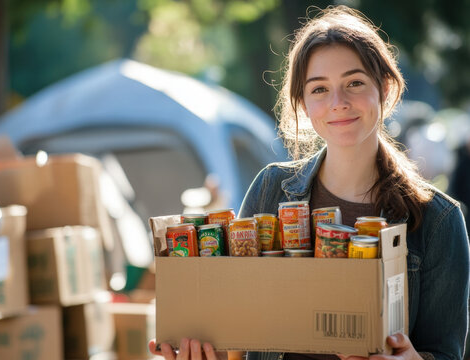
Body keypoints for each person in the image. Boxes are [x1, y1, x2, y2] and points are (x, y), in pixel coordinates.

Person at [149, 5, 470, 360]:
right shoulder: (270, 188)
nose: (338, 103)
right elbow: (239, 324)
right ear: (302, 103)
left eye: (355, 83)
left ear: (385, 89)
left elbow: (446, 352)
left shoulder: (439, 221)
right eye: (319, 89)